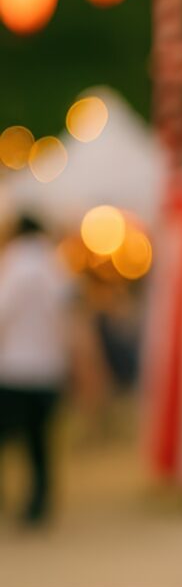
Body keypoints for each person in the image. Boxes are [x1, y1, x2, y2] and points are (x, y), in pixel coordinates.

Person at [0, 211, 74, 527]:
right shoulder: (56, 264)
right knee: (40, 440)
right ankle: (39, 503)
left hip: (14, 368)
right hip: (48, 368)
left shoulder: (13, 263)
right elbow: (67, 315)